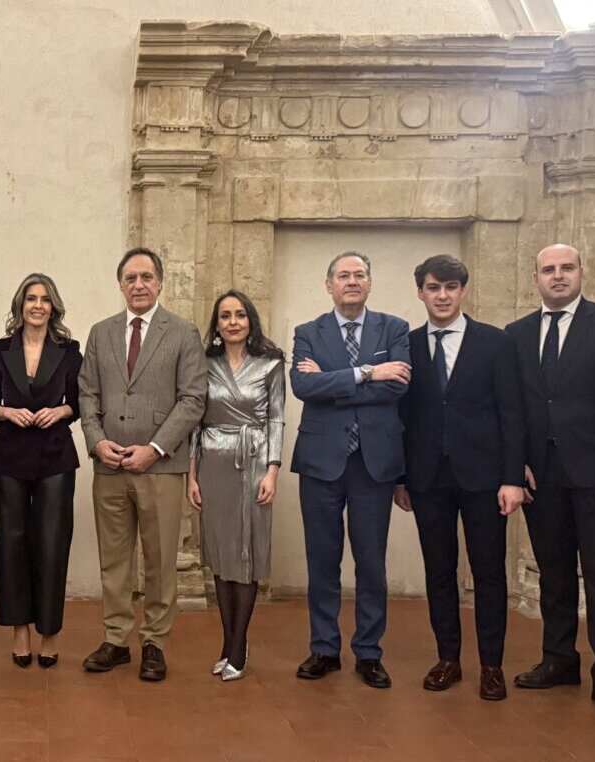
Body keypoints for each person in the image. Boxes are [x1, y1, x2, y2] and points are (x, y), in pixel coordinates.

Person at [505, 243, 595, 721]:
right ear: (536, 278)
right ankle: (559, 660)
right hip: (540, 478)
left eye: (566, 268)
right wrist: (517, 464)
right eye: (548, 269)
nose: (558, 276)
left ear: (581, 273)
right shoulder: (518, 334)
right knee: (553, 574)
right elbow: (514, 408)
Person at [392, 255, 524, 701]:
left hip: (486, 477)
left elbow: (512, 412)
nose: (442, 296)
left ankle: (492, 665)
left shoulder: (495, 342)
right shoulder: (405, 345)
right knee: (439, 571)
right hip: (427, 477)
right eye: (433, 288)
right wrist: (400, 478)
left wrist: (512, 477)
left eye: (450, 287)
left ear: (463, 290)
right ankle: (448, 658)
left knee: (488, 572)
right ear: (421, 293)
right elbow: (402, 417)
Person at [78, 247, 206, 682]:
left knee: (159, 559)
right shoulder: (101, 333)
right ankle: (115, 640)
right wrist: (96, 444)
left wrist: (155, 447)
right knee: (113, 560)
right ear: (120, 284)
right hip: (109, 466)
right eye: (130, 278)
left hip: (161, 467)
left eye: (146, 277)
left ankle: (154, 643)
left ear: (160, 283)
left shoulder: (184, 333)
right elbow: (87, 395)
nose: (138, 285)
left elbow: (193, 400)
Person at [290, 250, 410, 689]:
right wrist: (366, 373)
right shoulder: (308, 332)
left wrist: (335, 380)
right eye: (343, 275)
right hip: (321, 464)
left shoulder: (394, 328)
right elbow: (303, 386)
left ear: (370, 283)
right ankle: (323, 647)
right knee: (322, 561)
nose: (352, 281)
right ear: (329, 285)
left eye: (359, 274)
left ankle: (369, 652)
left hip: (373, 464)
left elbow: (397, 387)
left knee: (371, 563)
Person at [187, 290, 285, 682]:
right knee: (221, 554)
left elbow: (277, 418)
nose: (232, 322)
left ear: (250, 321)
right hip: (213, 461)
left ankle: (239, 646)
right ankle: (229, 644)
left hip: (255, 459)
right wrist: (191, 475)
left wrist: (273, 469)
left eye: (239, 315)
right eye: (225, 316)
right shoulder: (204, 364)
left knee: (247, 555)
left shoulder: (271, 364)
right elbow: (195, 420)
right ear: (217, 323)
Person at [0, 273, 82, 668]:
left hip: (55, 454)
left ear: (53, 306)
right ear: (20, 305)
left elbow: (79, 401)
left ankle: (50, 632)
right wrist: (6, 411)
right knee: (12, 544)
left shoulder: (71, 351)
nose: (37, 305)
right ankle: (20, 630)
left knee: (52, 544)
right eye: (30, 298)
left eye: (44, 299)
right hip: (8, 455)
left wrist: (62, 410)